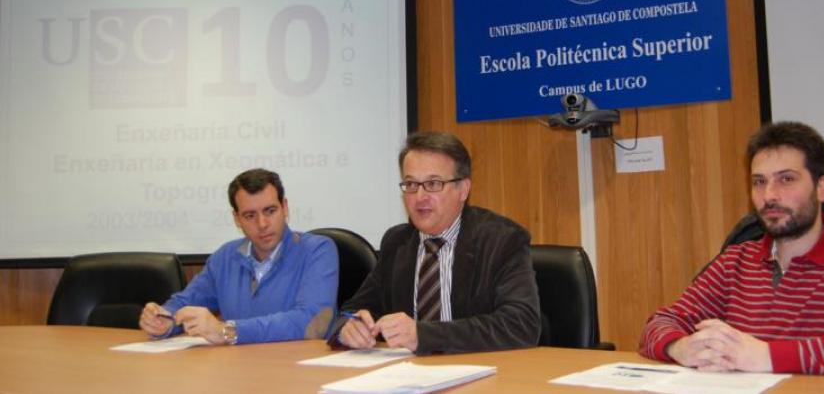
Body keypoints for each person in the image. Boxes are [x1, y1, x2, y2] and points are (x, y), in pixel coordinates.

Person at [639, 121, 824, 375]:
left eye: (786, 179)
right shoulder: (735, 261)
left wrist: (767, 356)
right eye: (759, 182)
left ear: (821, 188)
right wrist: (680, 347)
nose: (769, 195)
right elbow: (659, 324)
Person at [328, 131, 540, 354]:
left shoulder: (501, 240)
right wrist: (349, 328)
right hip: (408, 377)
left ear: (463, 190)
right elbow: (354, 309)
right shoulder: (397, 242)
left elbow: (522, 323)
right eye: (411, 184)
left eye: (433, 183)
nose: (419, 197)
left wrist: (424, 335)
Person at [139, 168, 338, 345]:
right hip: (238, 371)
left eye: (270, 211)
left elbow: (313, 322)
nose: (262, 224)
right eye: (250, 216)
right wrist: (164, 319)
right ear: (237, 219)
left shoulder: (318, 250)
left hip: (298, 373)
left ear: (285, 207)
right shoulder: (225, 257)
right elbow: (186, 302)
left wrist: (228, 331)